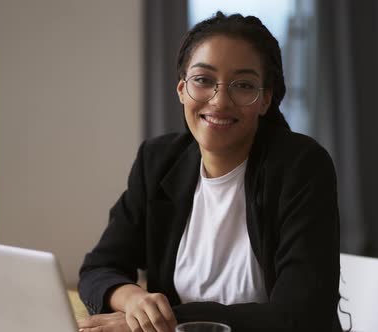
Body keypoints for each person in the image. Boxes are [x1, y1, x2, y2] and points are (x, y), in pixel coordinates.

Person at [77, 12, 342, 332]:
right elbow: (98, 268)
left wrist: (170, 319)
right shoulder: (158, 159)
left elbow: (301, 314)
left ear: (265, 100)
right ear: (181, 89)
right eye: (203, 80)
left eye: (243, 85)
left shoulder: (301, 167)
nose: (219, 101)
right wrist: (133, 300)